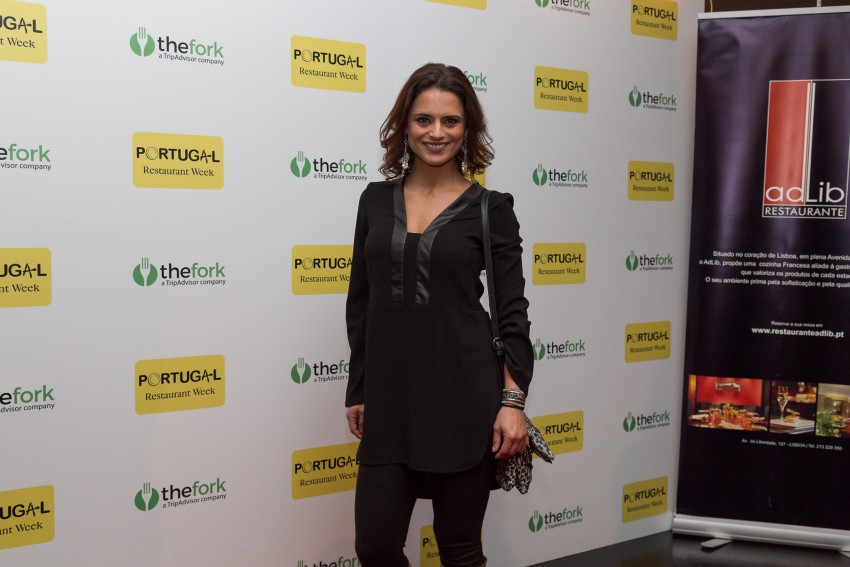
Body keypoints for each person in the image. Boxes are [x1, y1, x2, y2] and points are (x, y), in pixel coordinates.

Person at [345, 63, 533, 567]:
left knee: (460, 550)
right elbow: (360, 302)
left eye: (450, 121)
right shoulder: (374, 200)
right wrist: (359, 388)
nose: (436, 132)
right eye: (423, 119)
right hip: (390, 400)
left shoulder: (491, 209)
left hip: (464, 400)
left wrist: (512, 402)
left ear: (467, 128)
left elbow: (512, 312)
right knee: (375, 547)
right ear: (404, 125)